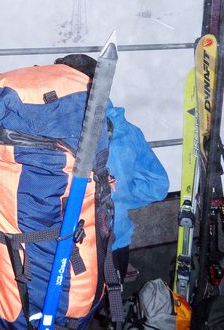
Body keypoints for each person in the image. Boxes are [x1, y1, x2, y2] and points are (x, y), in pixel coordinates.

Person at [54, 54, 169, 280]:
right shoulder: (128, 131)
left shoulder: (54, 132)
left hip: (68, 247)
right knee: (114, 300)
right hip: (116, 245)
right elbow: (157, 186)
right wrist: (118, 198)